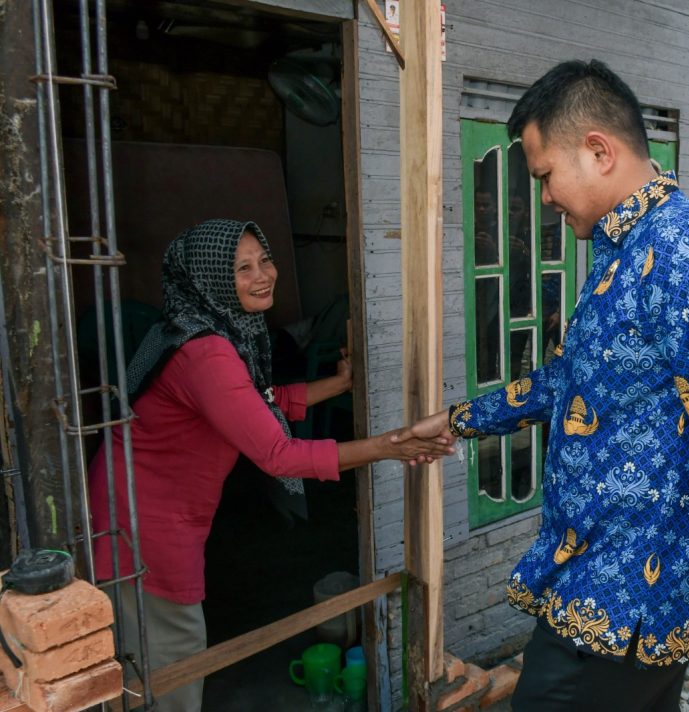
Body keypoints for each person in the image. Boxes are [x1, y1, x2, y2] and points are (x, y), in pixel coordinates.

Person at [401, 61, 689, 712]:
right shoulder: (624, 251)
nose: (544, 197)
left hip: (632, 601)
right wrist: (464, 419)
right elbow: (577, 380)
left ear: (599, 150)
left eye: (546, 175)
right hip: (592, 582)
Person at [88, 219, 452, 712]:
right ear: (210, 278)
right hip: (142, 526)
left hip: (135, 504)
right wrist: (391, 445)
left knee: (154, 658)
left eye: (265, 259)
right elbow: (277, 453)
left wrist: (339, 384)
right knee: (170, 664)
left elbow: (260, 401)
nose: (264, 275)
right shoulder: (205, 352)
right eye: (242, 267)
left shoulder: (203, 326)